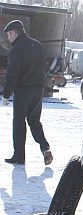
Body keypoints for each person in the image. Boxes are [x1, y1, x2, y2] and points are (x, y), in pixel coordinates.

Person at [2, 20, 53, 165]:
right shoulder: (37, 45)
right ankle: (45, 148)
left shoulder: (17, 49)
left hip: (23, 91)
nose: (8, 38)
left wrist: (6, 94)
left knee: (19, 122)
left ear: (13, 32)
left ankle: (19, 156)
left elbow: (13, 74)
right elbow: (45, 68)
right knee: (34, 121)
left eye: (8, 35)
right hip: (38, 90)